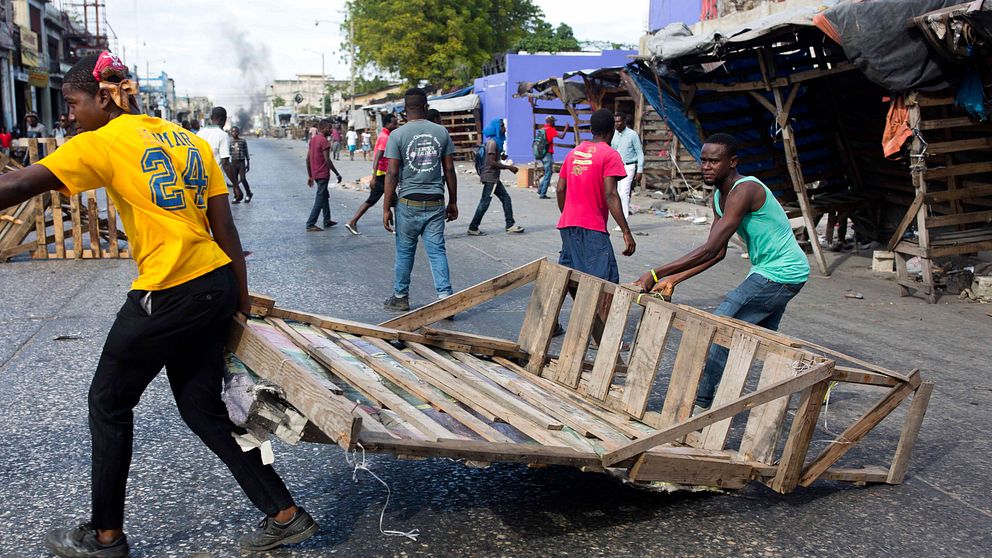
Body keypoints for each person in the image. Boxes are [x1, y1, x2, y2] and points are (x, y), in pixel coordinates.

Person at [0, 51, 316, 558]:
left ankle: (105, 536)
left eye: (74, 102)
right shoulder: (186, 139)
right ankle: (285, 514)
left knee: (107, 402)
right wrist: (237, 299)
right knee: (201, 409)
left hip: (168, 289)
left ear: (103, 97)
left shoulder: (103, 141)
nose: (70, 114)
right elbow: (226, 228)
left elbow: (17, 184)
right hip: (213, 281)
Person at [633, 133, 810, 412]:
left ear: (732, 162)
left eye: (714, 161)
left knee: (720, 326)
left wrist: (653, 274)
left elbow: (710, 248)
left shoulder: (745, 189)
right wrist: (673, 279)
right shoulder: (720, 197)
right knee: (760, 340)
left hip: (781, 272)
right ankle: (803, 387)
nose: (706, 166)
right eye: (703, 160)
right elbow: (717, 252)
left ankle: (701, 401)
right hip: (771, 271)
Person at [382, 87, 457, 312]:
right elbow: (450, 169)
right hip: (435, 201)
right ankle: (445, 299)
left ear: (405, 111)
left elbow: (392, 173)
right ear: (426, 107)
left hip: (407, 203)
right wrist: (453, 201)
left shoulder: (397, 135)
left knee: (405, 251)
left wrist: (386, 207)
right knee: (437, 251)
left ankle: (401, 296)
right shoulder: (441, 132)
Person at [557, 108, 636, 285]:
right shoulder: (609, 155)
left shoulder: (573, 153)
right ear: (612, 131)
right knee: (606, 281)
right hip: (593, 227)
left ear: (591, 130)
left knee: (573, 275)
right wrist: (626, 231)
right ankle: (598, 313)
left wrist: (568, 213)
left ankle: (586, 311)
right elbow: (611, 193)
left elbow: (560, 189)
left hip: (568, 224)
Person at [468, 118, 524, 236]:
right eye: (502, 126)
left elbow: (495, 159)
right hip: (490, 178)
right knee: (485, 203)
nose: (504, 128)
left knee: (505, 198)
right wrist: (509, 168)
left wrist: (502, 157)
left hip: (493, 178)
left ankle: (510, 224)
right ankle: (473, 227)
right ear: (497, 129)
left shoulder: (495, 143)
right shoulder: (492, 144)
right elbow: (492, 163)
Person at [345, 112, 398, 235]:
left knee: (377, 200)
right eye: (394, 123)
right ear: (388, 123)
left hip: (382, 174)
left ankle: (353, 221)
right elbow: (377, 158)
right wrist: (374, 177)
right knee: (393, 201)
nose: (396, 126)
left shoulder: (386, 135)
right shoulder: (385, 137)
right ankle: (399, 227)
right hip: (382, 175)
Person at [305, 118, 343, 231]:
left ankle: (327, 220)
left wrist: (310, 175)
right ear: (323, 128)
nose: (331, 130)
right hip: (322, 174)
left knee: (324, 196)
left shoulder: (313, 140)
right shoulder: (324, 141)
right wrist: (337, 174)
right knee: (320, 198)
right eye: (329, 128)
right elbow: (327, 160)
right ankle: (310, 223)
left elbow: (307, 159)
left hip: (316, 174)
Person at [196, 107, 240, 202]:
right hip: (215, 183)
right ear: (224, 119)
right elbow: (225, 163)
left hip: (199, 181)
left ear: (211, 117)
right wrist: (236, 186)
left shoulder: (199, 134)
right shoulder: (223, 135)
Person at [610, 111, 644, 228]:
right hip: (615, 166)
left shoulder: (632, 134)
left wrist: (639, 170)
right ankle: (620, 219)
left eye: (619, 121)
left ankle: (623, 223)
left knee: (624, 193)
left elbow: (639, 152)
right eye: (615, 122)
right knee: (617, 193)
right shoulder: (612, 134)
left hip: (629, 166)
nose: (617, 124)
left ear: (624, 122)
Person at [538, 115, 566, 199]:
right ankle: (542, 193)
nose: (555, 123)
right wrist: (566, 129)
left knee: (547, 172)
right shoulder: (551, 129)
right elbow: (561, 137)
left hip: (541, 154)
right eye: (554, 122)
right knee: (548, 173)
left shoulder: (542, 129)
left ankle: (540, 189)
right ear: (551, 122)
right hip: (547, 154)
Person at [229, 126, 253, 203]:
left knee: (242, 179)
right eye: (232, 132)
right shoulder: (230, 142)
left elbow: (246, 152)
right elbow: (228, 153)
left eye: (236, 131)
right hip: (233, 162)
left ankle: (248, 193)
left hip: (241, 162)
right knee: (234, 180)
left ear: (238, 132)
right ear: (231, 133)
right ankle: (237, 196)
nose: (234, 133)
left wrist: (248, 163)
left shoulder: (242, 141)